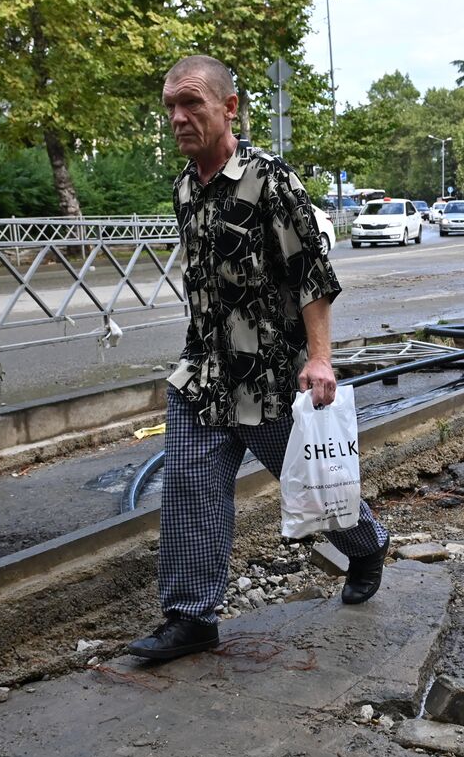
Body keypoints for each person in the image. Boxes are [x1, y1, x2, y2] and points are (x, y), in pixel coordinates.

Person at [128, 55, 391, 661]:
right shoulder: (185, 188)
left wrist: (319, 358)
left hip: (270, 377)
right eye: (170, 105)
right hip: (202, 374)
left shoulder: (271, 181)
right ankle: (192, 617)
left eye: (191, 102)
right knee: (191, 492)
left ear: (229, 108)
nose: (178, 117)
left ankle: (367, 542)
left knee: (313, 485)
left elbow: (312, 276)